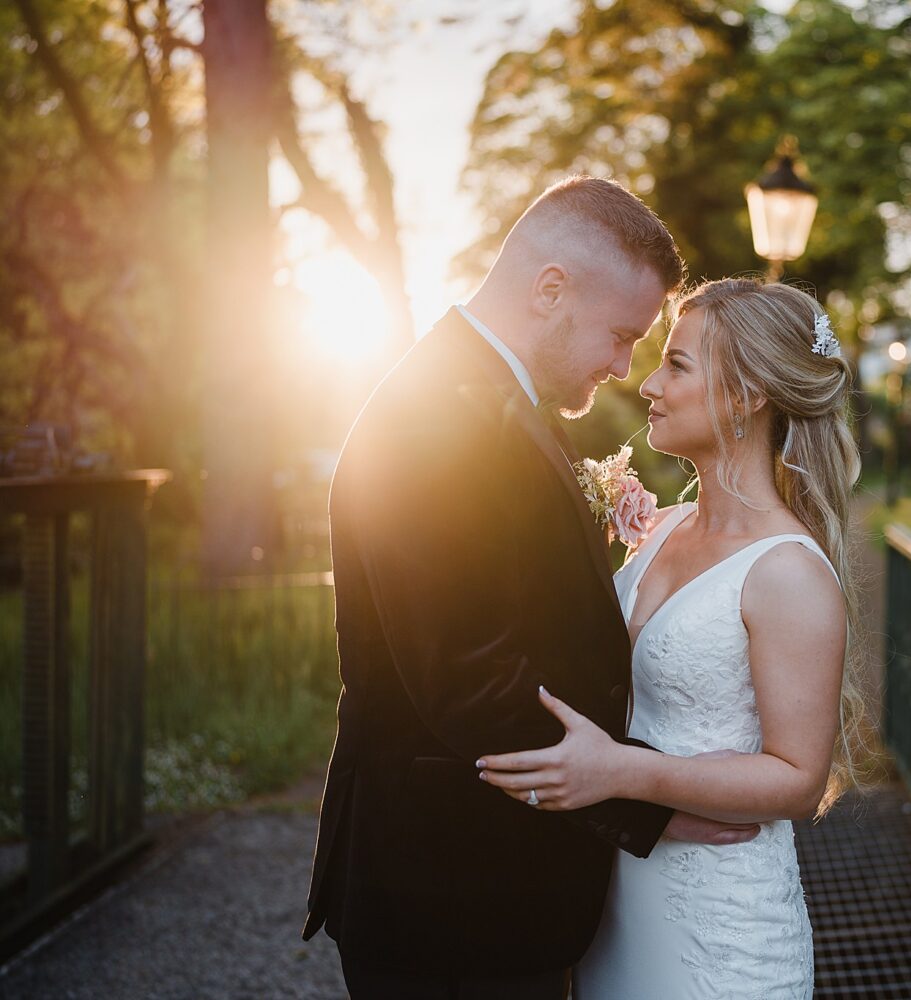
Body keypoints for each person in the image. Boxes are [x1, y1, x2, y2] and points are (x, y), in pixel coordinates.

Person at [302, 177, 760, 999]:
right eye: (622, 335)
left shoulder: (488, 396)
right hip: (449, 895)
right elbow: (468, 679)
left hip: (487, 890)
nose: (626, 367)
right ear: (551, 290)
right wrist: (645, 797)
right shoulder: (434, 417)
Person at [477, 277, 865, 998]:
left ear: (749, 395)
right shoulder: (660, 532)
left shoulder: (787, 572)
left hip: (719, 927)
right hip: (622, 903)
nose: (648, 384)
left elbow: (796, 779)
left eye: (678, 365)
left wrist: (624, 776)